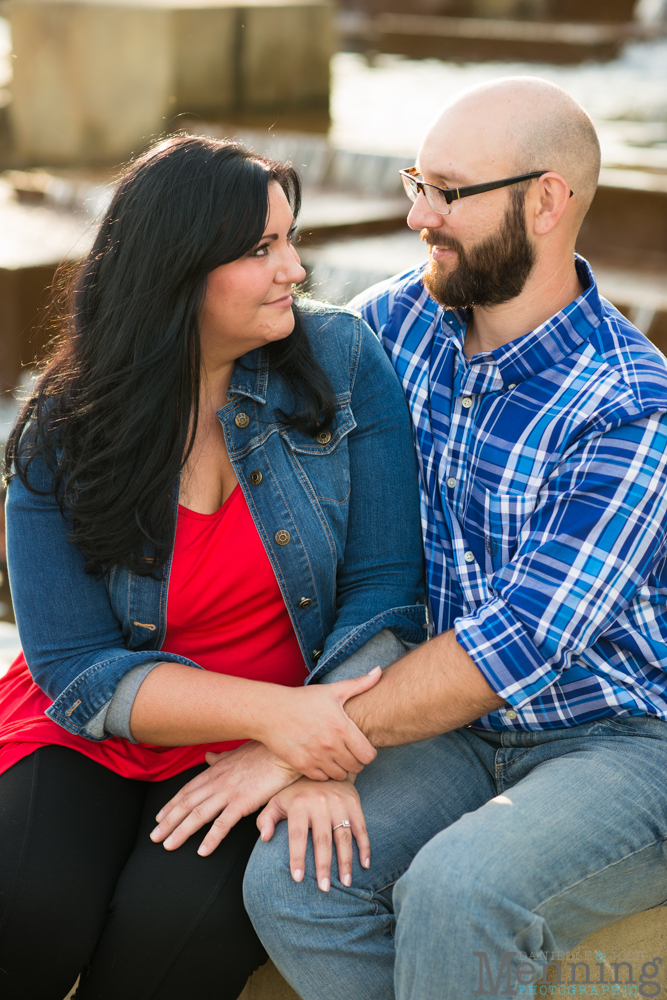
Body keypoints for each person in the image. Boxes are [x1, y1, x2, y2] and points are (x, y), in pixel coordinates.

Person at [240, 76, 667, 999]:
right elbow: (247, 398)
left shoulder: (631, 405)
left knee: (459, 888)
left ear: (545, 201)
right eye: (414, 183)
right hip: (457, 730)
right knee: (294, 880)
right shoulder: (399, 323)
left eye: (448, 193)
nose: (417, 216)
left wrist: (296, 744)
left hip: (623, 740)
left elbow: (514, 644)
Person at [0, 135, 426, 1000]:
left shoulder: (342, 364)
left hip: (260, 741)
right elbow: (76, 669)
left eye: (290, 240)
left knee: (165, 942)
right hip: (94, 724)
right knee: (28, 911)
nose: (295, 271)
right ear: (178, 270)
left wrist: (311, 751)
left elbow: (386, 585)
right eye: (261, 248)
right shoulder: (66, 428)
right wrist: (289, 720)